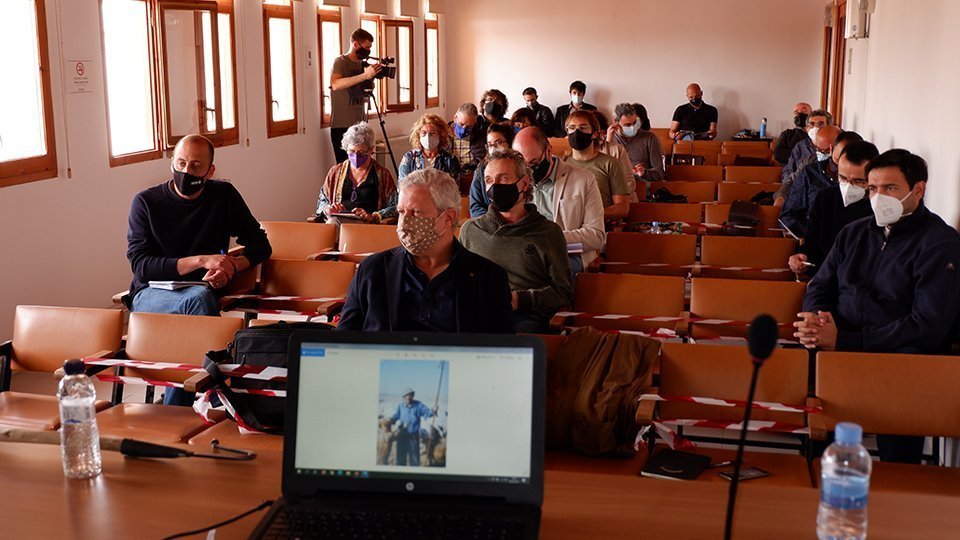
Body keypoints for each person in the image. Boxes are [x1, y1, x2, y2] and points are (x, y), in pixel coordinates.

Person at [795, 149, 960, 463]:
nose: (878, 197)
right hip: (838, 348)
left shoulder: (940, 244)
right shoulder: (854, 232)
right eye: (872, 189)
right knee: (817, 425)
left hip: (896, 358)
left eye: (890, 188)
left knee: (901, 388)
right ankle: (817, 472)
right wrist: (816, 321)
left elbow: (927, 325)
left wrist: (844, 340)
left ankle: (898, 488)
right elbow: (821, 284)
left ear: (919, 190)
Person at [126, 134, 271, 405]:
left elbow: (260, 243)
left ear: (210, 171)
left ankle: (186, 403)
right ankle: (219, 393)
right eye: (180, 163)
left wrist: (232, 266)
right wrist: (202, 261)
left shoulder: (223, 195)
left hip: (202, 291)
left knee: (197, 303)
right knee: (198, 300)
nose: (186, 171)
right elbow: (142, 266)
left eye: (195, 166)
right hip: (151, 293)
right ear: (172, 163)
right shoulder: (145, 202)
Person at [337, 169, 513, 332]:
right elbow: (343, 345)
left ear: (448, 217)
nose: (404, 223)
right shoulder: (372, 271)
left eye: (416, 213)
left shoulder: (489, 278)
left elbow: (501, 355)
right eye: (401, 212)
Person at [459, 149, 574, 333]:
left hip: (525, 316)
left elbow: (563, 293)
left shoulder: (548, 232)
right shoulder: (470, 230)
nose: (494, 186)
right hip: (478, 313)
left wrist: (519, 299)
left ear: (525, 184)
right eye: (489, 180)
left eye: (503, 178)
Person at [514, 127, 605, 277]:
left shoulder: (584, 180)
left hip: (569, 254)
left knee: (541, 272)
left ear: (548, 150)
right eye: (523, 166)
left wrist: (550, 239)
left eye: (534, 163)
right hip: (526, 253)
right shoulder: (517, 182)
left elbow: (596, 236)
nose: (529, 171)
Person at [788, 141, 878, 276]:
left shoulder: (879, 206)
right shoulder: (826, 197)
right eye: (842, 178)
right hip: (825, 275)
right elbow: (811, 243)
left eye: (858, 181)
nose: (848, 186)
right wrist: (802, 257)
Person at [780, 128, 861, 237]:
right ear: (833, 150)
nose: (842, 167)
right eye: (838, 160)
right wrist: (808, 234)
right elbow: (788, 214)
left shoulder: (864, 181)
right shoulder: (810, 173)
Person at [315, 122, 398, 224]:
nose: (356, 156)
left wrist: (373, 216)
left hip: (368, 225)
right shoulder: (335, 172)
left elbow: (394, 207)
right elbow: (322, 202)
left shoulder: (383, 175)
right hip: (339, 222)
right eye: (352, 151)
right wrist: (328, 209)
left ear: (371, 150)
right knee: (332, 223)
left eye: (362, 152)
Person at [563, 110, 631, 219]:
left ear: (594, 134)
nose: (576, 132)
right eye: (572, 128)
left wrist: (592, 213)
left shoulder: (611, 164)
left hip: (599, 226)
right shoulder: (562, 165)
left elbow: (622, 208)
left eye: (583, 128)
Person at [329, 28, 382, 163]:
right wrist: (364, 75)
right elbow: (335, 84)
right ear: (356, 44)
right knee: (344, 166)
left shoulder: (363, 65)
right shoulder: (341, 62)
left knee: (362, 165)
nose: (368, 50)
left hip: (360, 124)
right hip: (341, 125)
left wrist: (371, 77)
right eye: (366, 47)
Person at [778, 109, 833, 196]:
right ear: (806, 128)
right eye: (812, 124)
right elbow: (788, 170)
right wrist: (790, 187)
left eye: (820, 124)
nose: (815, 128)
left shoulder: (835, 148)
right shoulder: (800, 146)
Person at [468, 123, 517, 217]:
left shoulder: (519, 168)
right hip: (488, 224)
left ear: (509, 143)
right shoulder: (481, 169)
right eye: (490, 145)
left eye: (498, 143)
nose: (494, 148)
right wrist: (492, 223)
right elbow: (475, 206)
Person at [607, 103, 665, 181]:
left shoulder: (650, 138)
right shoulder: (608, 139)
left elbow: (659, 173)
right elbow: (602, 170)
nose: (632, 127)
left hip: (640, 184)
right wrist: (608, 142)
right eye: (627, 125)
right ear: (616, 123)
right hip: (615, 183)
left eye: (634, 123)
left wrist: (645, 172)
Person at [398, 114, 460, 181]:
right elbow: (402, 185)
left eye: (432, 133)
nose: (428, 137)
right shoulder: (410, 159)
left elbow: (454, 187)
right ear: (418, 135)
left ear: (440, 135)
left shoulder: (449, 160)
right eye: (424, 133)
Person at [389, 388, 437, 467]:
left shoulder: (418, 405)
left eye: (410, 395)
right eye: (406, 395)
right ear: (403, 397)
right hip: (402, 435)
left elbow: (428, 413)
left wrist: (433, 410)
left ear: (413, 396)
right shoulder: (400, 406)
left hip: (413, 436)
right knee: (400, 459)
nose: (408, 397)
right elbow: (395, 416)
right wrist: (390, 420)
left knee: (414, 460)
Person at [448, 103, 486, 174]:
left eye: (469, 126)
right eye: (461, 124)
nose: (464, 129)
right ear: (455, 118)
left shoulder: (480, 138)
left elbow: (481, 162)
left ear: (475, 123)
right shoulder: (444, 135)